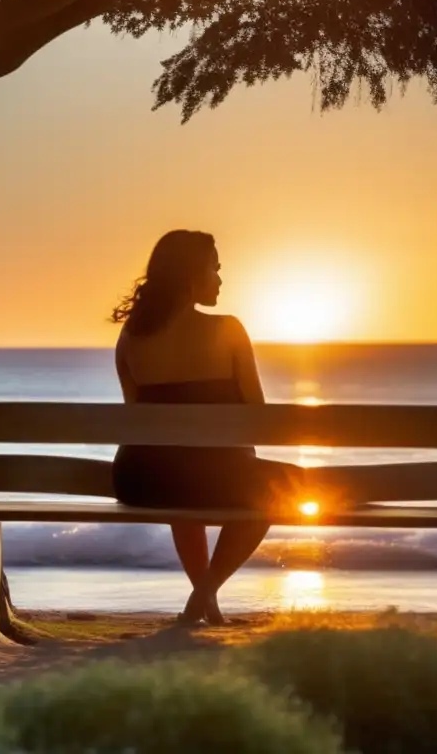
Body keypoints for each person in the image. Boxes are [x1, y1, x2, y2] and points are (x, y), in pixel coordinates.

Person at [110, 229, 310, 625]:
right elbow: (258, 418)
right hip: (201, 477)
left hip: (139, 478)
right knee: (282, 491)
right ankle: (201, 597)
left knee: (182, 480)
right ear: (191, 276)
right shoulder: (228, 330)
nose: (220, 278)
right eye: (214, 269)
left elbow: (139, 419)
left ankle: (208, 605)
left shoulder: (130, 337)